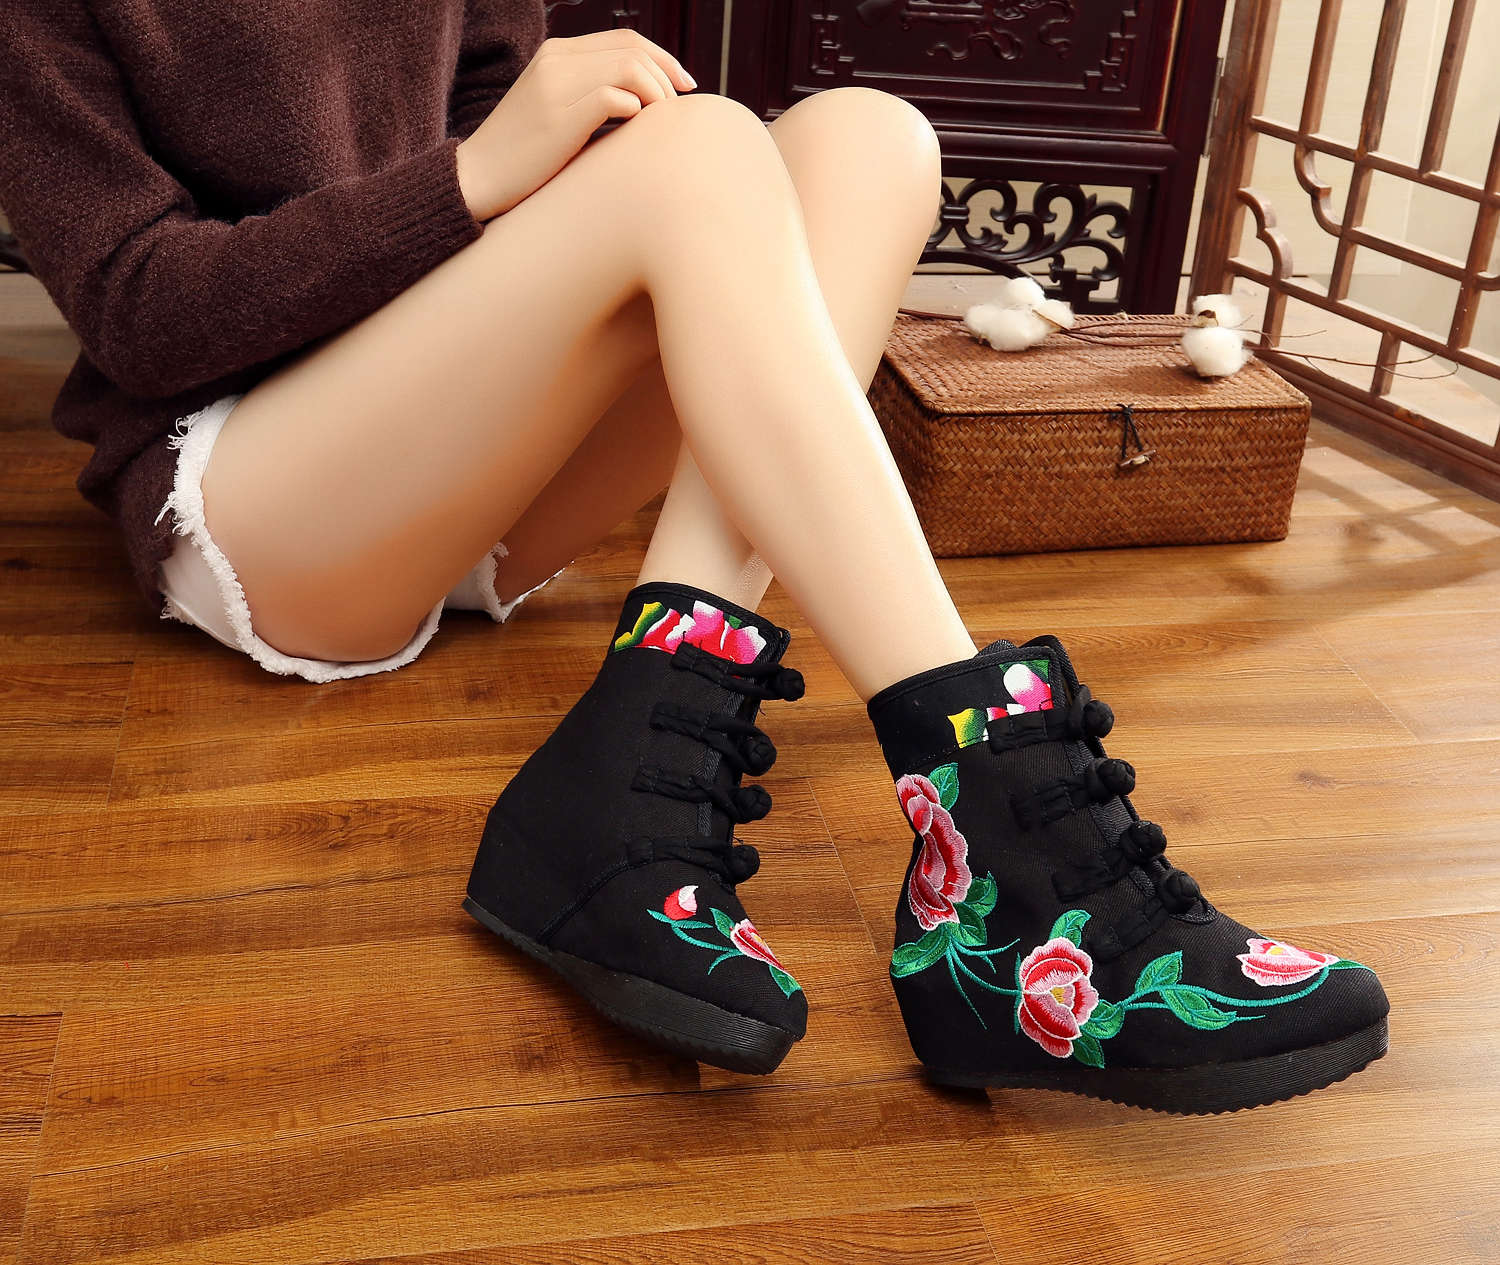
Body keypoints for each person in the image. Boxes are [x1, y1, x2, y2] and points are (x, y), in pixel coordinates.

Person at [0, 1, 1388, 1112]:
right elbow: (139, 309)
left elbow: (526, 132)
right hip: (257, 489)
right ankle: (1013, 829)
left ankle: (635, 762)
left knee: (867, 138)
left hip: (466, 454)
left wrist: (550, 146)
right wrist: (478, 174)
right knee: (703, 151)